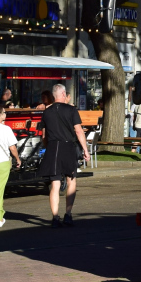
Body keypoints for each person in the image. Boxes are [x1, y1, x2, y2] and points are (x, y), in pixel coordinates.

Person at [37, 83, 89, 228]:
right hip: (68, 147)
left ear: (54, 96)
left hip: (53, 147)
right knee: (71, 180)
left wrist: (49, 147)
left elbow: (44, 135)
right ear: (63, 94)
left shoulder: (46, 112)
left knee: (55, 184)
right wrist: (85, 149)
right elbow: (78, 131)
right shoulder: (71, 110)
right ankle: (68, 214)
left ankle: (54, 217)